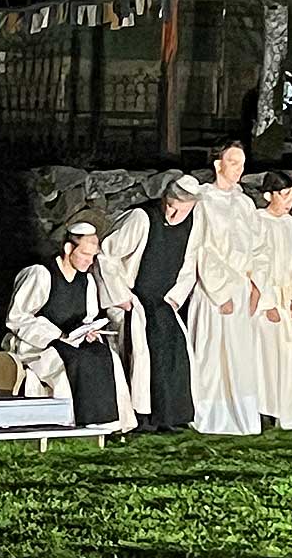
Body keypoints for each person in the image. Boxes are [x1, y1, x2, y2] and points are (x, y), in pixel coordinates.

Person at [3, 223, 136, 432]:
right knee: (72, 362)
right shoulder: (40, 274)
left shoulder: (87, 280)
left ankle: (109, 423)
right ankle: (73, 423)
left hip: (73, 340)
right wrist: (57, 335)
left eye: (92, 256)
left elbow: (87, 317)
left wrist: (89, 332)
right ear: (68, 249)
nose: (89, 261)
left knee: (104, 355)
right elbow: (18, 317)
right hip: (38, 344)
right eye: (84, 254)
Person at [96, 175, 201, 432]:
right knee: (142, 354)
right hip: (134, 299)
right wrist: (120, 296)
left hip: (163, 301)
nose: (173, 214)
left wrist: (175, 298)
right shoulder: (141, 218)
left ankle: (171, 416)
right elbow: (107, 255)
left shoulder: (192, 224)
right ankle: (142, 417)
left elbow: (189, 264)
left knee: (174, 352)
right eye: (171, 206)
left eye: (181, 210)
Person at [188, 141, 263, 435]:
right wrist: (220, 290)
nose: (239, 169)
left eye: (242, 164)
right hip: (213, 289)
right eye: (233, 162)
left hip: (241, 285)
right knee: (211, 352)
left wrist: (256, 284)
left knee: (239, 353)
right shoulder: (204, 201)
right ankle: (208, 413)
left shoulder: (244, 203)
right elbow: (201, 248)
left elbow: (256, 246)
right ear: (218, 164)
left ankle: (240, 413)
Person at [252, 171, 292, 430]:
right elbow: (254, 264)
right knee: (265, 354)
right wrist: (267, 302)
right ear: (269, 195)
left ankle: (285, 409)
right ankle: (263, 407)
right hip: (265, 299)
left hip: (287, 299)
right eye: (284, 195)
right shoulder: (257, 222)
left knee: (288, 355)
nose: (288, 202)